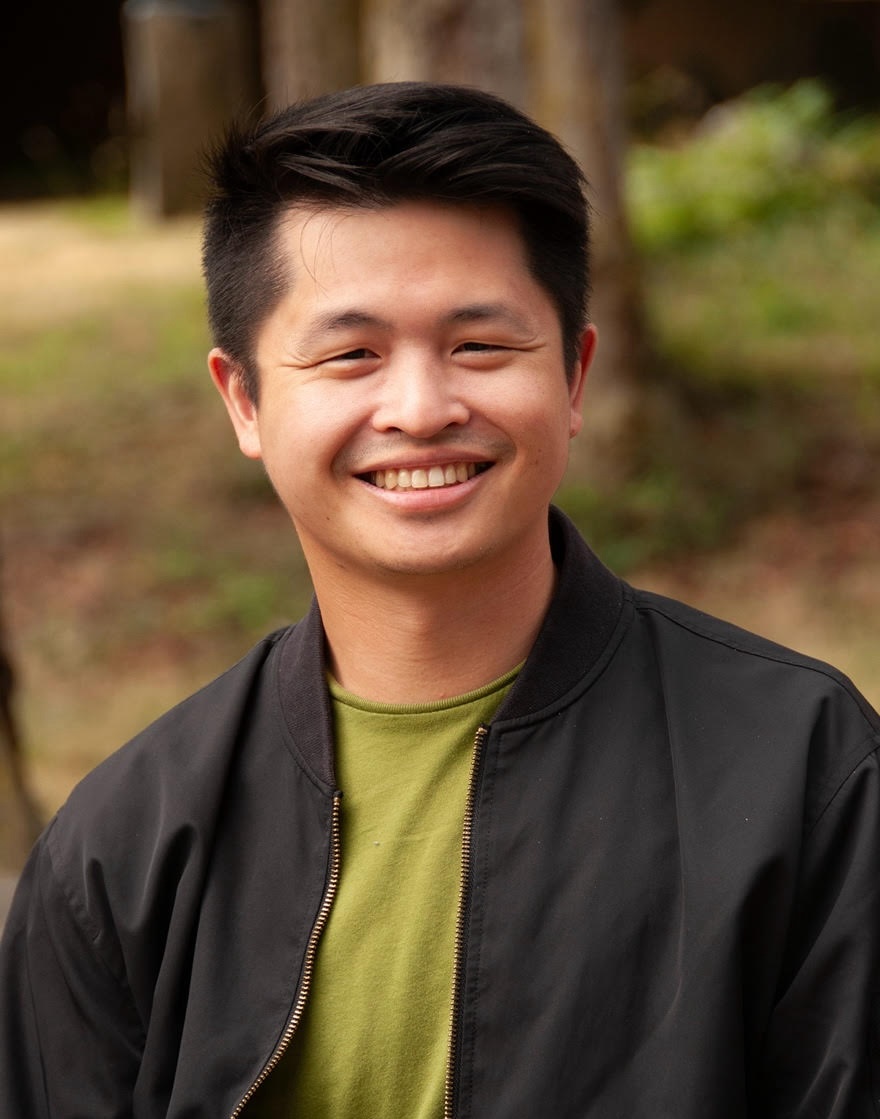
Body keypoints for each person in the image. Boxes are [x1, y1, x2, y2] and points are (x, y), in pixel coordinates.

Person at [1, 81, 879, 1119]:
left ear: (575, 375)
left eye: (479, 346)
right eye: (350, 355)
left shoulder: (805, 773)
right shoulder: (124, 848)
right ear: (243, 399)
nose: (419, 409)